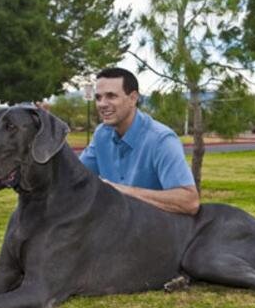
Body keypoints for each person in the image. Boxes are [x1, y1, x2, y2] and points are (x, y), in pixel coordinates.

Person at [80, 67, 199, 215]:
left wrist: (120, 191)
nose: (102, 104)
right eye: (98, 97)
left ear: (133, 98)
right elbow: (75, 176)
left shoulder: (162, 140)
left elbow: (189, 201)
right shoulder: (101, 134)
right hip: (114, 230)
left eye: (111, 96)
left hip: (156, 232)